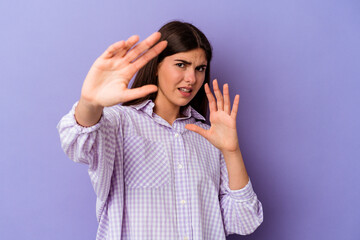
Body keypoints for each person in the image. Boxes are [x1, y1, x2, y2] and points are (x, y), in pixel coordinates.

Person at [57, 21, 263, 240]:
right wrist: (90, 103)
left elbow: (243, 221)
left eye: (199, 68)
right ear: (156, 66)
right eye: (181, 64)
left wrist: (232, 152)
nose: (191, 79)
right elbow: (76, 144)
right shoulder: (119, 122)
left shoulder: (210, 137)